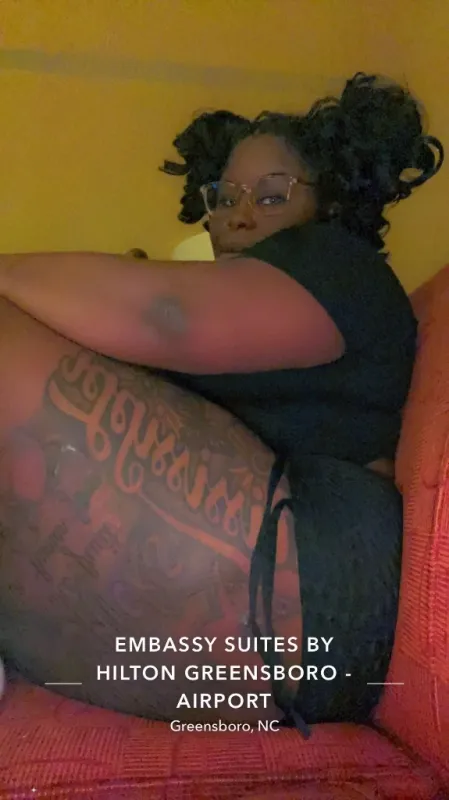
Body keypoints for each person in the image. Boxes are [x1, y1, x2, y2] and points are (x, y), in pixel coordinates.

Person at [0, 73, 444, 737]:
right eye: (224, 196)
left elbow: (166, 314)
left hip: (324, 588)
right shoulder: (256, 315)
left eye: (272, 195)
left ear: (328, 205)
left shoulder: (339, 266)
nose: (238, 214)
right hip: (315, 626)